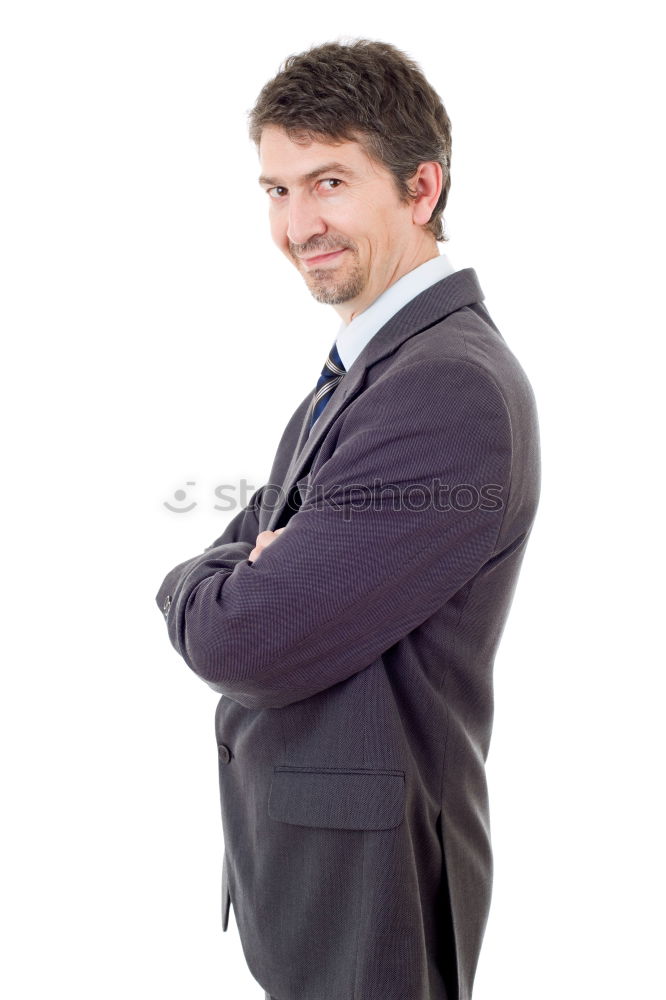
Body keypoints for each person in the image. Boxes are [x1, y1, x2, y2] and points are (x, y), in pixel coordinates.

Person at [155, 38, 541, 1000]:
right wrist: (245, 559)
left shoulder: (443, 387)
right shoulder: (375, 364)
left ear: (421, 188)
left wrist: (202, 580)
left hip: (369, 890)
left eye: (328, 181)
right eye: (276, 190)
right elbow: (250, 540)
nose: (296, 223)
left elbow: (239, 634)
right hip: (317, 870)